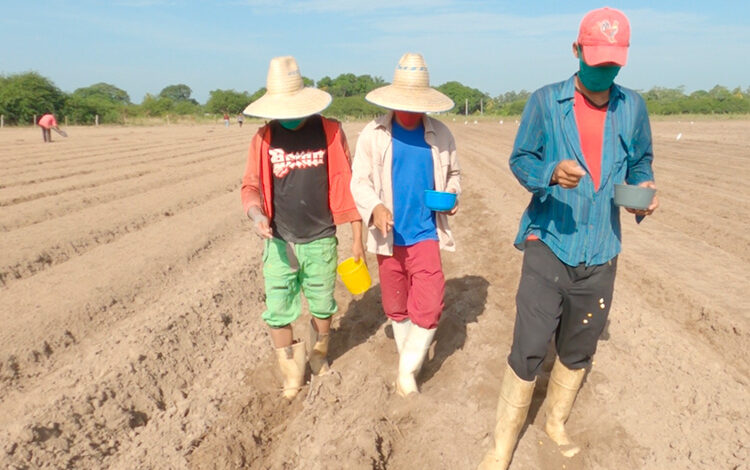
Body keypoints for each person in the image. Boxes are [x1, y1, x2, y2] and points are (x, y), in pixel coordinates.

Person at [479, 7, 659, 469]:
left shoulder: (633, 107)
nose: (603, 70)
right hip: (550, 240)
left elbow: (641, 163)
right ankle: (501, 444)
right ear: (576, 51)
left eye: (612, 63)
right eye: (595, 60)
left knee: (580, 345)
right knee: (531, 342)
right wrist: (549, 173)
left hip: (602, 248)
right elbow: (520, 159)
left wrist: (643, 192)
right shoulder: (545, 102)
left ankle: (555, 422)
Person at [240, 56, 364, 400]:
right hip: (279, 242)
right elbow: (250, 186)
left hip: (321, 239)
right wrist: (256, 216)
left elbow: (346, 183)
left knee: (323, 306)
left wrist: (357, 239)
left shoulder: (329, 131)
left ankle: (318, 357)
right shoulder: (264, 137)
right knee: (278, 310)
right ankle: (291, 373)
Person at [350, 53, 460, 397]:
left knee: (429, 304)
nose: (411, 110)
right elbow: (359, 182)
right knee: (396, 306)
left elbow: (454, 175)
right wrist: (376, 207)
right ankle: (410, 362)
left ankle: (405, 373)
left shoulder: (440, 134)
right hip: (388, 235)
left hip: (426, 232)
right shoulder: (374, 134)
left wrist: (452, 195)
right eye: (404, 103)